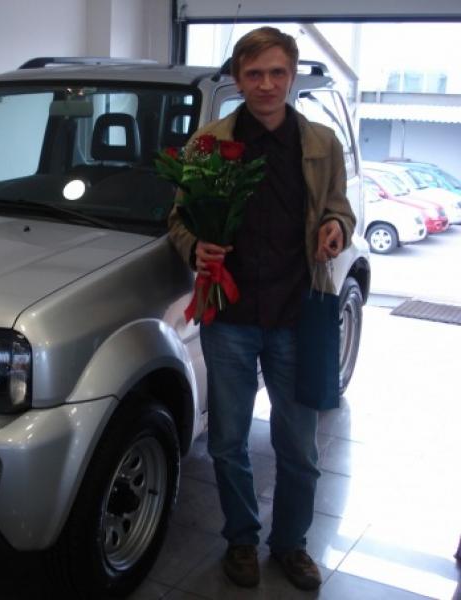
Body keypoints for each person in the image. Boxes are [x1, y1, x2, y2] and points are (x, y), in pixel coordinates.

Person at [168, 27, 355, 591]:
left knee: (298, 447)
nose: (266, 84)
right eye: (254, 74)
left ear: (291, 76)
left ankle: (291, 544)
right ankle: (242, 540)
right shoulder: (208, 144)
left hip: (296, 314)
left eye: (277, 73)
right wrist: (194, 248)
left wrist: (335, 228)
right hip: (229, 316)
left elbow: (341, 210)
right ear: (238, 78)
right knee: (227, 442)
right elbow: (179, 219)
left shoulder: (321, 143)